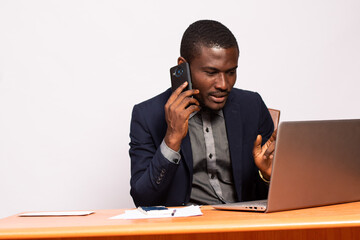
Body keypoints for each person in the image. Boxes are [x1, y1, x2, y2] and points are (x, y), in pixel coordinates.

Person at [129, 20, 276, 207]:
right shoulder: (147, 115)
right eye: (211, 72)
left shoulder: (252, 106)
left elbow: (268, 198)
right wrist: (171, 140)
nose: (223, 84)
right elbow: (143, 199)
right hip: (188, 229)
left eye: (231, 72)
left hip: (242, 226)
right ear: (183, 67)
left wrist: (266, 175)